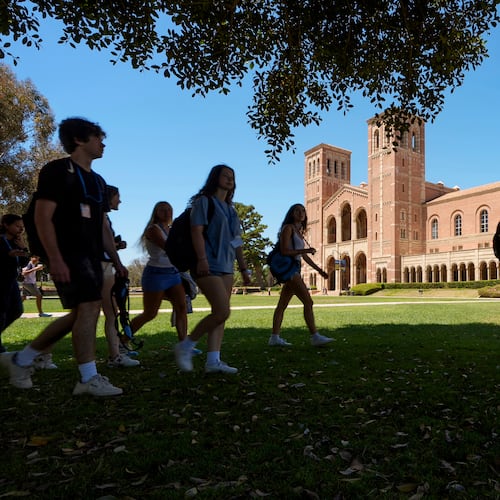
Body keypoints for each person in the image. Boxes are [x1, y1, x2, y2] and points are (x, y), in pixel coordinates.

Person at [0, 117, 128, 396]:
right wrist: (54, 258)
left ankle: (21, 360)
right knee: (89, 308)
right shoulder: (57, 171)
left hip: (92, 255)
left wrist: (116, 261)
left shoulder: (98, 181)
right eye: (97, 137)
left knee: (82, 313)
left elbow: (103, 225)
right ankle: (87, 378)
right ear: (79, 140)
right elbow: (42, 216)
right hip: (67, 253)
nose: (103, 143)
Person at [174, 164, 251, 374]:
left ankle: (213, 361)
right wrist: (201, 259)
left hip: (227, 266)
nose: (229, 179)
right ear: (215, 178)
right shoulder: (204, 202)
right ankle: (187, 345)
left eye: (232, 177)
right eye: (225, 176)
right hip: (207, 264)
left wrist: (244, 269)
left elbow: (236, 241)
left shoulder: (231, 210)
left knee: (220, 314)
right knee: (222, 311)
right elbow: (196, 232)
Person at [269, 203, 333, 347]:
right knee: (308, 302)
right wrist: (305, 251)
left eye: (303, 210)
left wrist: (319, 270)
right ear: (291, 213)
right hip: (290, 270)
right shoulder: (288, 228)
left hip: (295, 269)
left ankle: (274, 337)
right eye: (297, 210)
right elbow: (285, 251)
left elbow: (305, 257)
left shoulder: (300, 232)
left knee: (282, 305)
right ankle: (315, 336)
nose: (301, 213)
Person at [129, 201, 192, 348]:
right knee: (150, 313)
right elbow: (169, 247)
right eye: (162, 209)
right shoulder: (153, 229)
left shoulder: (171, 229)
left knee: (181, 307)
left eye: (169, 209)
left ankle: (184, 345)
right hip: (156, 274)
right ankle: (123, 341)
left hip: (173, 273)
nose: (166, 212)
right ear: (156, 213)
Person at [101, 185, 139, 368]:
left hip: (104, 266)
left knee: (110, 313)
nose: (120, 201)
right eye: (118, 197)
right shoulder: (101, 217)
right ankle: (116, 355)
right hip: (103, 267)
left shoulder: (102, 217)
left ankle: (117, 351)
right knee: (109, 313)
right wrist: (117, 262)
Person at [0, 214, 29, 354]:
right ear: (6, 224)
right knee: (1, 313)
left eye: (22, 227)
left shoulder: (16, 242)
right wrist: (8, 255)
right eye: (17, 226)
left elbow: (23, 263)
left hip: (11, 281)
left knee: (17, 310)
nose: (20, 229)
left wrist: (23, 248)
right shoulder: (1, 240)